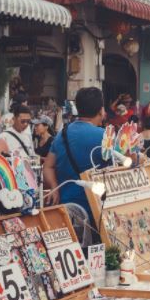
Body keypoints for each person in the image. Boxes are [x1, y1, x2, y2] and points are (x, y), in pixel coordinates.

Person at [43, 87, 106, 217]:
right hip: (98, 210)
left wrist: (54, 187)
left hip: (67, 209)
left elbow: (48, 166)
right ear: (101, 111)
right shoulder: (106, 137)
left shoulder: (62, 134)